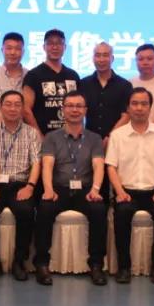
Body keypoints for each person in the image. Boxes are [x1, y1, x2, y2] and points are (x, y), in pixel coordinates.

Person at [106, 88, 154, 284]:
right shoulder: (118, 135)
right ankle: (123, 268)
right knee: (121, 214)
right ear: (128, 107)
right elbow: (111, 167)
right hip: (126, 191)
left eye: (144, 104)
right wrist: (119, 192)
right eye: (135, 103)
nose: (139, 108)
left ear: (150, 107)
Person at [36, 92, 108, 286]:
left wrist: (95, 189)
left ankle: (96, 265)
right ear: (63, 110)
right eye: (70, 106)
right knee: (44, 209)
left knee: (99, 210)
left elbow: (98, 165)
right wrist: (48, 189)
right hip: (59, 188)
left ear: (85, 110)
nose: (74, 110)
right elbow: (47, 165)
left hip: (85, 189)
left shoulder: (94, 138)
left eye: (79, 106)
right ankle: (42, 264)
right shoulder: (51, 137)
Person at [0, 90, 40, 282]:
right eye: (8, 104)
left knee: (26, 211)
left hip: (20, 184)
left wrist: (30, 186)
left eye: (17, 104)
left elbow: (36, 163)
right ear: (0, 107)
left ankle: (19, 261)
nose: (12, 108)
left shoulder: (31, 133)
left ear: (22, 108)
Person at [23, 29, 79, 136]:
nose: (55, 47)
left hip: (70, 137)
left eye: (59, 43)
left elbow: (80, 107)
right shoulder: (33, 75)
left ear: (65, 47)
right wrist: (38, 136)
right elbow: (25, 109)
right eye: (50, 43)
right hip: (43, 136)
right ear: (44, 47)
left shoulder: (73, 76)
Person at [78, 42, 132, 149]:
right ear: (93, 58)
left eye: (105, 55)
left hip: (117, 141)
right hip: (88, 141)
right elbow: (79, 112)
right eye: (98, 55)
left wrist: (110, 136)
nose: (101, 59)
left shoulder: (124, 85)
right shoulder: (83, 84)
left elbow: (126, 115)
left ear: (112, 58)